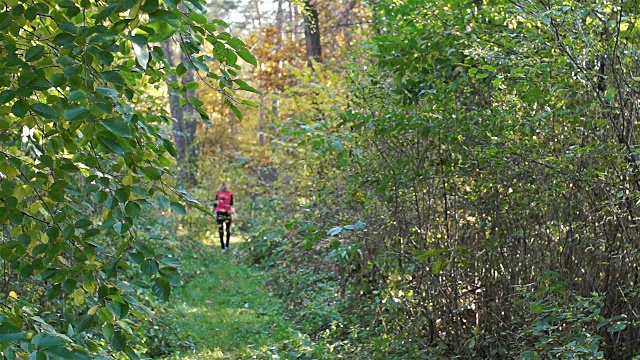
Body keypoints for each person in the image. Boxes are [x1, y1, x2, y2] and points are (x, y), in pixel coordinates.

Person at [214, 182, 234, 252]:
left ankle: (222, 247)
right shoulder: (230, 194)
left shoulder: (218, 194)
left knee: (220, 229)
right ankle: (227, 245)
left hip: (219, 212)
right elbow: (231, 204)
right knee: (228, 229)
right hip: (227, 212)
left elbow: (215, 204)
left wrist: (213, 211)